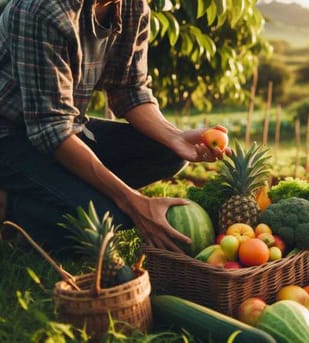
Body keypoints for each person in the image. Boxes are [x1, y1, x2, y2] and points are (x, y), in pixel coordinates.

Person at [0, 0, 227, 252]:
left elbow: (129, 89)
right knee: (109, 220)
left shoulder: (133, 7)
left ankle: (62, 191)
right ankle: (10, 204)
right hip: (8, 135)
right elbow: (51, 129)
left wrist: (174, 136)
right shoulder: (43, 10)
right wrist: (132, 202)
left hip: (63, 127)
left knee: (170, 152)